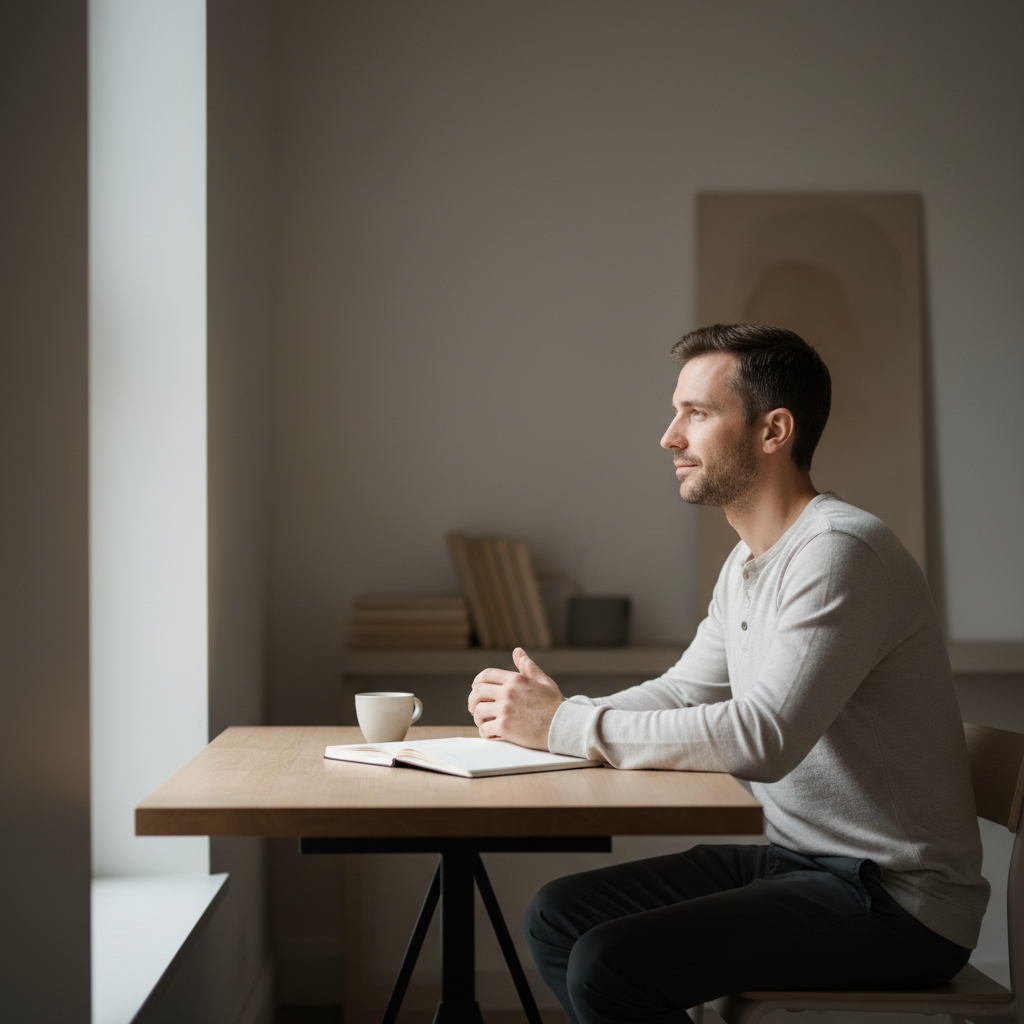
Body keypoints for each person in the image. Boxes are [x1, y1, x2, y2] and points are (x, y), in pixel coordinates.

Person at [467, 324, 989, 1024]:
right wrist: (551, 721)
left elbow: (765, 738)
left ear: (774, 430)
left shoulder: (839, 551)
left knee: (609, 963)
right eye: (676, 411)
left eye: (697, 414)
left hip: (896, 899)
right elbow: (687, 690)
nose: (669, 437)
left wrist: (565, 725)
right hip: (801, 859)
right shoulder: (747, 562)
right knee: (559, 915)